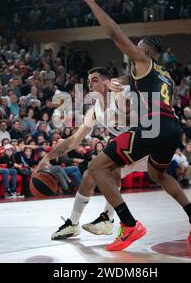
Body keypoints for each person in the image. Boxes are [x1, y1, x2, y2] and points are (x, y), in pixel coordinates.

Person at [79, 0, 191, 251]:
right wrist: (120, 82)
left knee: (97, 167)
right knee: (159, 174)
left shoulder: (142, 58)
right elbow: (134, 81)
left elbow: (114, 34)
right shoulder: (165, 76)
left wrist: (91, 0)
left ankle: (128, 225)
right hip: (172, 128)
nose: (133, 48)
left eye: (137, 46)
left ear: (146, 51)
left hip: (155, 126)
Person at [34, 67, 148, 240]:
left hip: (149, 144)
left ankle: (108, 219)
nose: (89, 84)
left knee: (110, 163)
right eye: (88, 81)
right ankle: (73, 223)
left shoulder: (123, 93)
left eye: (94, 80)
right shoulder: (95, 111)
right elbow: (74, 140)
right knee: (89, 174)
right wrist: (47, 157)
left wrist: (121, 81)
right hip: (130, 147)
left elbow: (140, 75)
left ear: (107, 82)